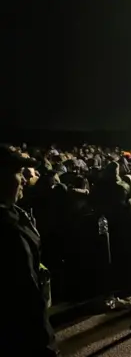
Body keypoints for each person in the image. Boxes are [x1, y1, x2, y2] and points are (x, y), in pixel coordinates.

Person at [0, 145, 59, 356]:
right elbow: (23, 294)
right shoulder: (5, 228)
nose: (25, 180)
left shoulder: (15, 213)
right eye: (18, 173)